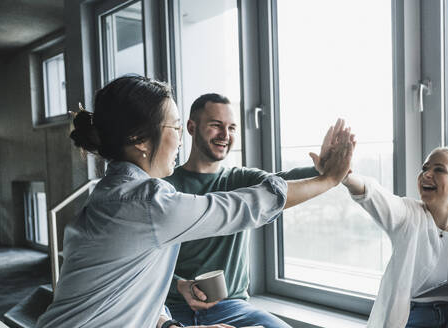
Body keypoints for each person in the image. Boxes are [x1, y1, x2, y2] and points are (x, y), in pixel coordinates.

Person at [35, 76, 355, 328]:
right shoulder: (146, 202)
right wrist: (326, 179)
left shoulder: (111, 194)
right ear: (139, 140)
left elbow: (128, 290)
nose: (178, 138)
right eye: (174, 126)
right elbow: (239, 207)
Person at [161, 93, 342, 328]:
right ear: (191, 127)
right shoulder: (164, 186)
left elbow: (282, 184)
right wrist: (180, 284)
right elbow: (146, 260)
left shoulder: (241, 180)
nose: (225, 135)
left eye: (232, 128)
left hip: (231, 307)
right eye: (216, 125)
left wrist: (322, 170)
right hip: (173, 307)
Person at [342, 147, 448, 328]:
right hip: (416, 318)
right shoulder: (407, 214)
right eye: (425, 168)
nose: (426, 174)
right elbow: (373, 194)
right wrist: (346, 177)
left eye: (439, 169)